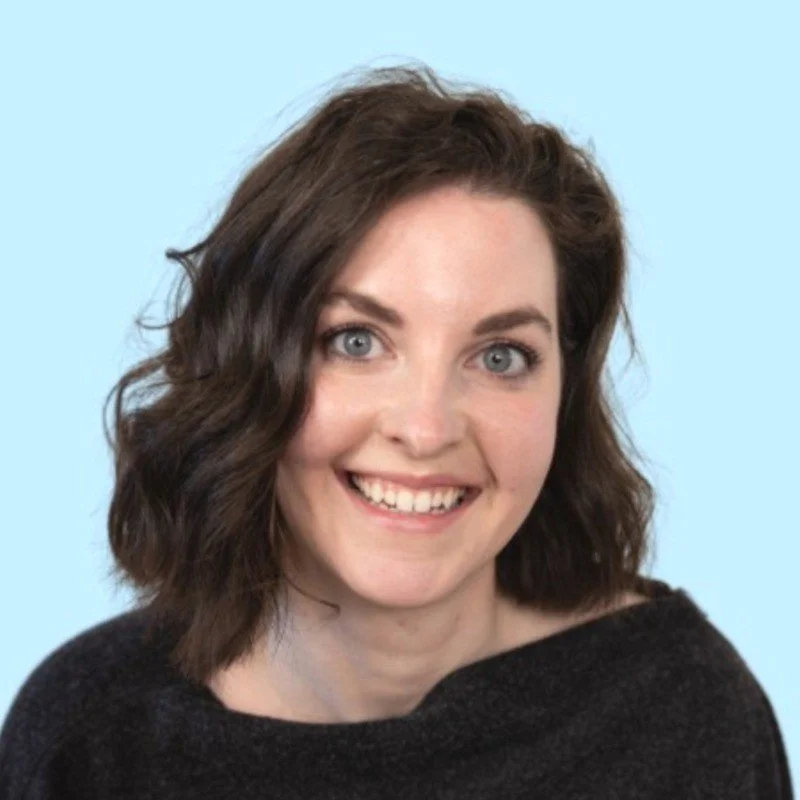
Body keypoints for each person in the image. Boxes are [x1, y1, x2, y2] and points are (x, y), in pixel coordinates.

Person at [0, 63, 793, 799]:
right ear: (245, 366)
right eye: (356, 342)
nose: (425, 428)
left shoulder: (687, 712)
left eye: (501, 356)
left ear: (567, 392)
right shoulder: (89, 739)